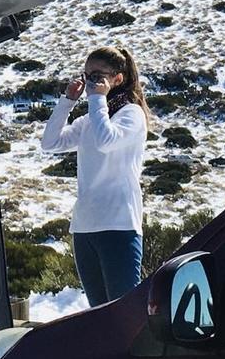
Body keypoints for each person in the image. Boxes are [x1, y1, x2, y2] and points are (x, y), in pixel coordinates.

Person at [40, 43, 150, 305]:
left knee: (122, 312)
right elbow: (50, 143)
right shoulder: (91, 118)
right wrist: (68, 100)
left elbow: (106, 140)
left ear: (118, 79)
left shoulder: (131, 115)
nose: (91, 82)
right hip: (85, 226)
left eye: (98, 76)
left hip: (118, 225)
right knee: (97, 313)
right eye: (87, 75)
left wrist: (97, 99)